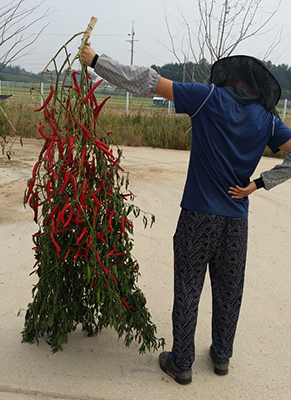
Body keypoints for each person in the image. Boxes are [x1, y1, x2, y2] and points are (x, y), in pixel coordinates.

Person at [81, 46, 291, 385]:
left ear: (230, 77)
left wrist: (96, 62)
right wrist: (258, 184)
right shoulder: (268, 120)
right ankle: (221, 358)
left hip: (197, 216)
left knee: (189, 286)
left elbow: (148, 82)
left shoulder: (207, 97)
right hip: (236, 220)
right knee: (229, 289)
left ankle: (182, 362)